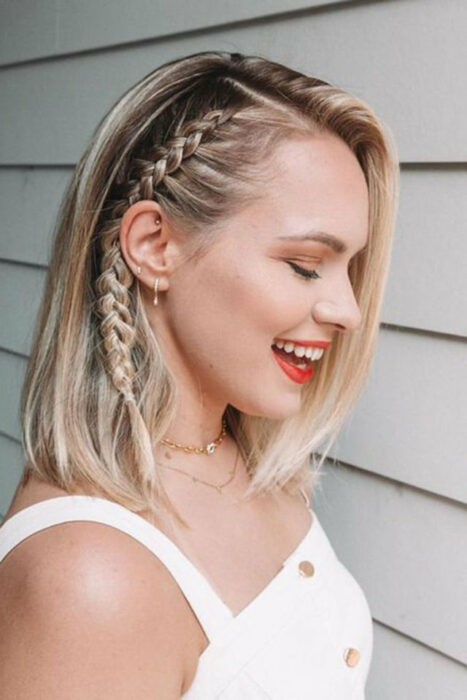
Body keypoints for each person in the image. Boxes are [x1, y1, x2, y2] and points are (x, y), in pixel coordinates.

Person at [0, 50, 399, 698]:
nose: (348, 311)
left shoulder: (238, 454)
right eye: (304, 264)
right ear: (154, 246)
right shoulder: (89, 577)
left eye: (348, 267)